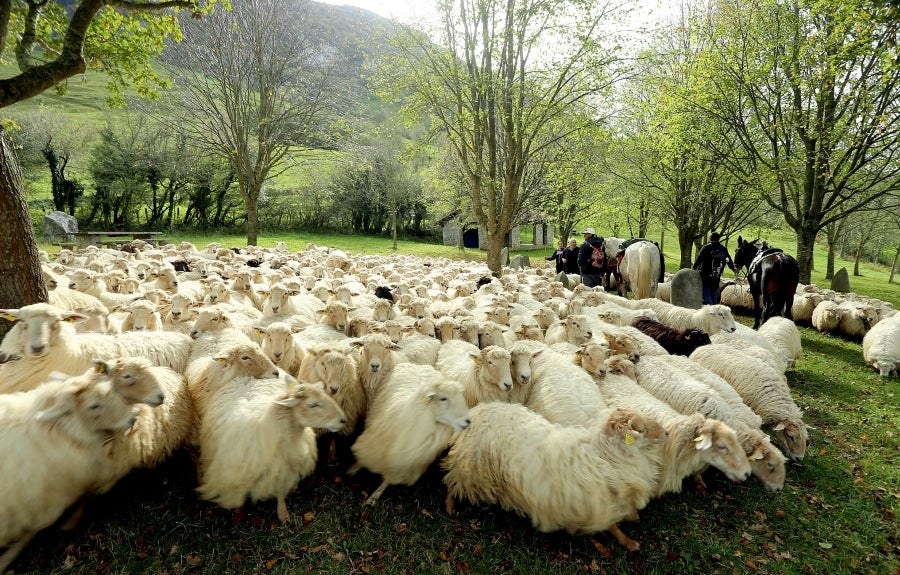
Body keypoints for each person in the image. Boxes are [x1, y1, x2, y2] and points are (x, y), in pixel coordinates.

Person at [693, 232, 736, 305]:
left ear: (710, 238)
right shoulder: (723, 248)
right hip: (717, 275)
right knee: (714, 293)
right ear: (719, 239)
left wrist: (693, 268)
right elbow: (728, 259)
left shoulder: (706, 247)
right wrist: (733, 268)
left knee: (706, 293)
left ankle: (713, 309)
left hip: (705, 274)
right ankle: (715, 308)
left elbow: (699, 259)